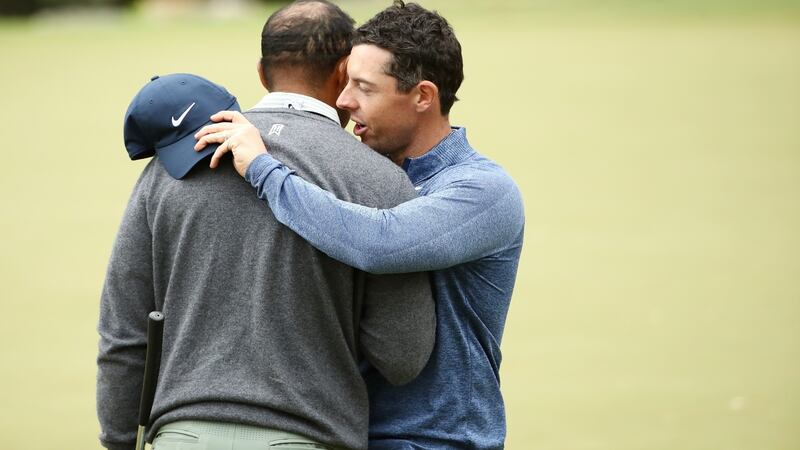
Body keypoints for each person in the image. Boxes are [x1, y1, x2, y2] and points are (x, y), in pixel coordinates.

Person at [96, 3, 436, 450]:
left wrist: (120, 440)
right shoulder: (380, 180)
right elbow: (402, 355)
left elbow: (124, 336)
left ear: (261, 72)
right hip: (310, 436)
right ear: (343, 72)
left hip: (179, 437)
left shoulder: (167, 169)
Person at [194, 1, 525, 448]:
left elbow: (381, 242)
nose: (343, 101)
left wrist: (262, 168)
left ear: (423, 96)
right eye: (346, 81)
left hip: (435, 439)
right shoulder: (358, 176)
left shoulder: (483, 191)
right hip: (343, 434)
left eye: (364, 88)